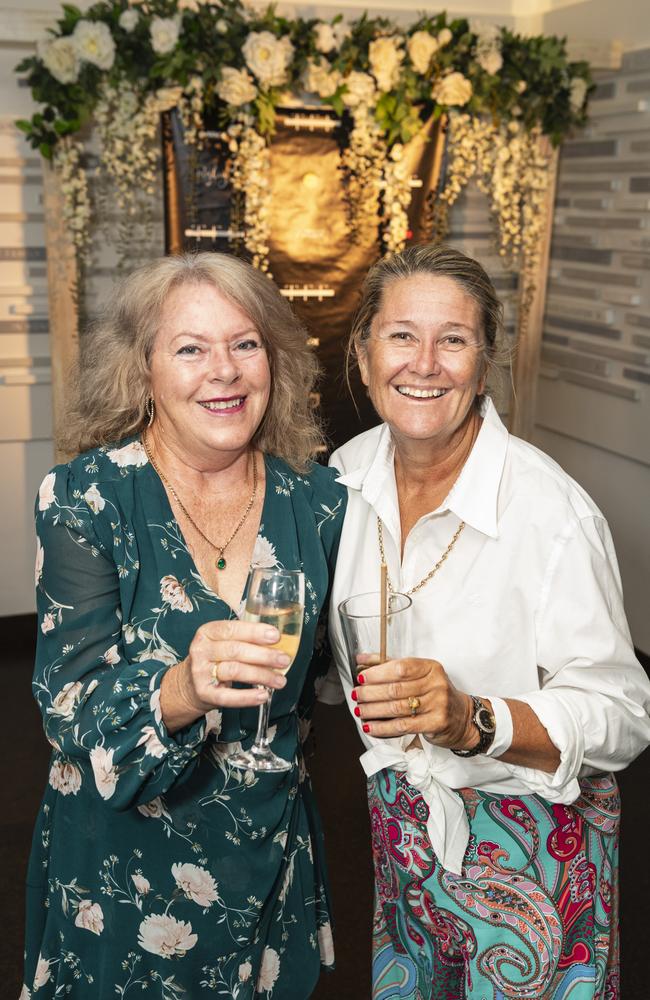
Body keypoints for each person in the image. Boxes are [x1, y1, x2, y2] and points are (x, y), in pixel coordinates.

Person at [326, 243, 650, 1000]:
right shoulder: (343, 477)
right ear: (364, 353)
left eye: (455, 339)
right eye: (402, 335)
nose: (425, 363)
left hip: (534, 845)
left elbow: (625, 715)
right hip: (404, 832)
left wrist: (475, 719)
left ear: (485, 360)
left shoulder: (550, 512)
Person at [22, 252, 346, 999]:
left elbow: (328, 677)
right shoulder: (87, 497)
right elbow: (70, 710)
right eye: (191, 348)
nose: (224, 371)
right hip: (123, 877)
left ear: (276, 360)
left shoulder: (321, 502)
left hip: (267, 855)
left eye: (245, 343)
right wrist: (181, 687)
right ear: (144, 370)